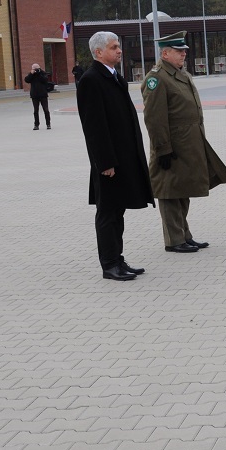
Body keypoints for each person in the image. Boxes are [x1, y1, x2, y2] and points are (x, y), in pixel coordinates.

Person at [141, 32, 226, 253]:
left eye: (184, 50)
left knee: (183, 189)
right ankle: (174, 240)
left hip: (187, 145)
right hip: (170, 147)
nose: (184, 54)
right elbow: (154, 118)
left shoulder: (180, 74)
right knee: (169, 192)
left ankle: (184, 235)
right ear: (165, 53)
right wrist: (163, 149)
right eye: (178, 51)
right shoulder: (157, 78)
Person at [76, 32, 153, 281]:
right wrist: (105, 162)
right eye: (113, 47)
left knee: (117, 211)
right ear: (98, 52)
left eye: (118, 46)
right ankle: (109, 265)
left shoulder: (114, 77)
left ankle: (118, 260)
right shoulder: (91, 80)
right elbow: (94, 127)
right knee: (108, 213)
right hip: (109, 163)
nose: (119, 50)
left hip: (123, 159)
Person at [24, 63, 54, 130]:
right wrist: (31, 73)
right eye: (34, 69)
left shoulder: (43, 73)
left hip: (43, 94)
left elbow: (45, 80)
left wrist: (39, 73)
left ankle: (48, 124)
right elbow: (27, 80)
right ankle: (36, 125)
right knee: (35, 111)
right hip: (34, 95)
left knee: (46, 110)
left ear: (39, 68)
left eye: (36, 69)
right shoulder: (31, 74)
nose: (35, 70)